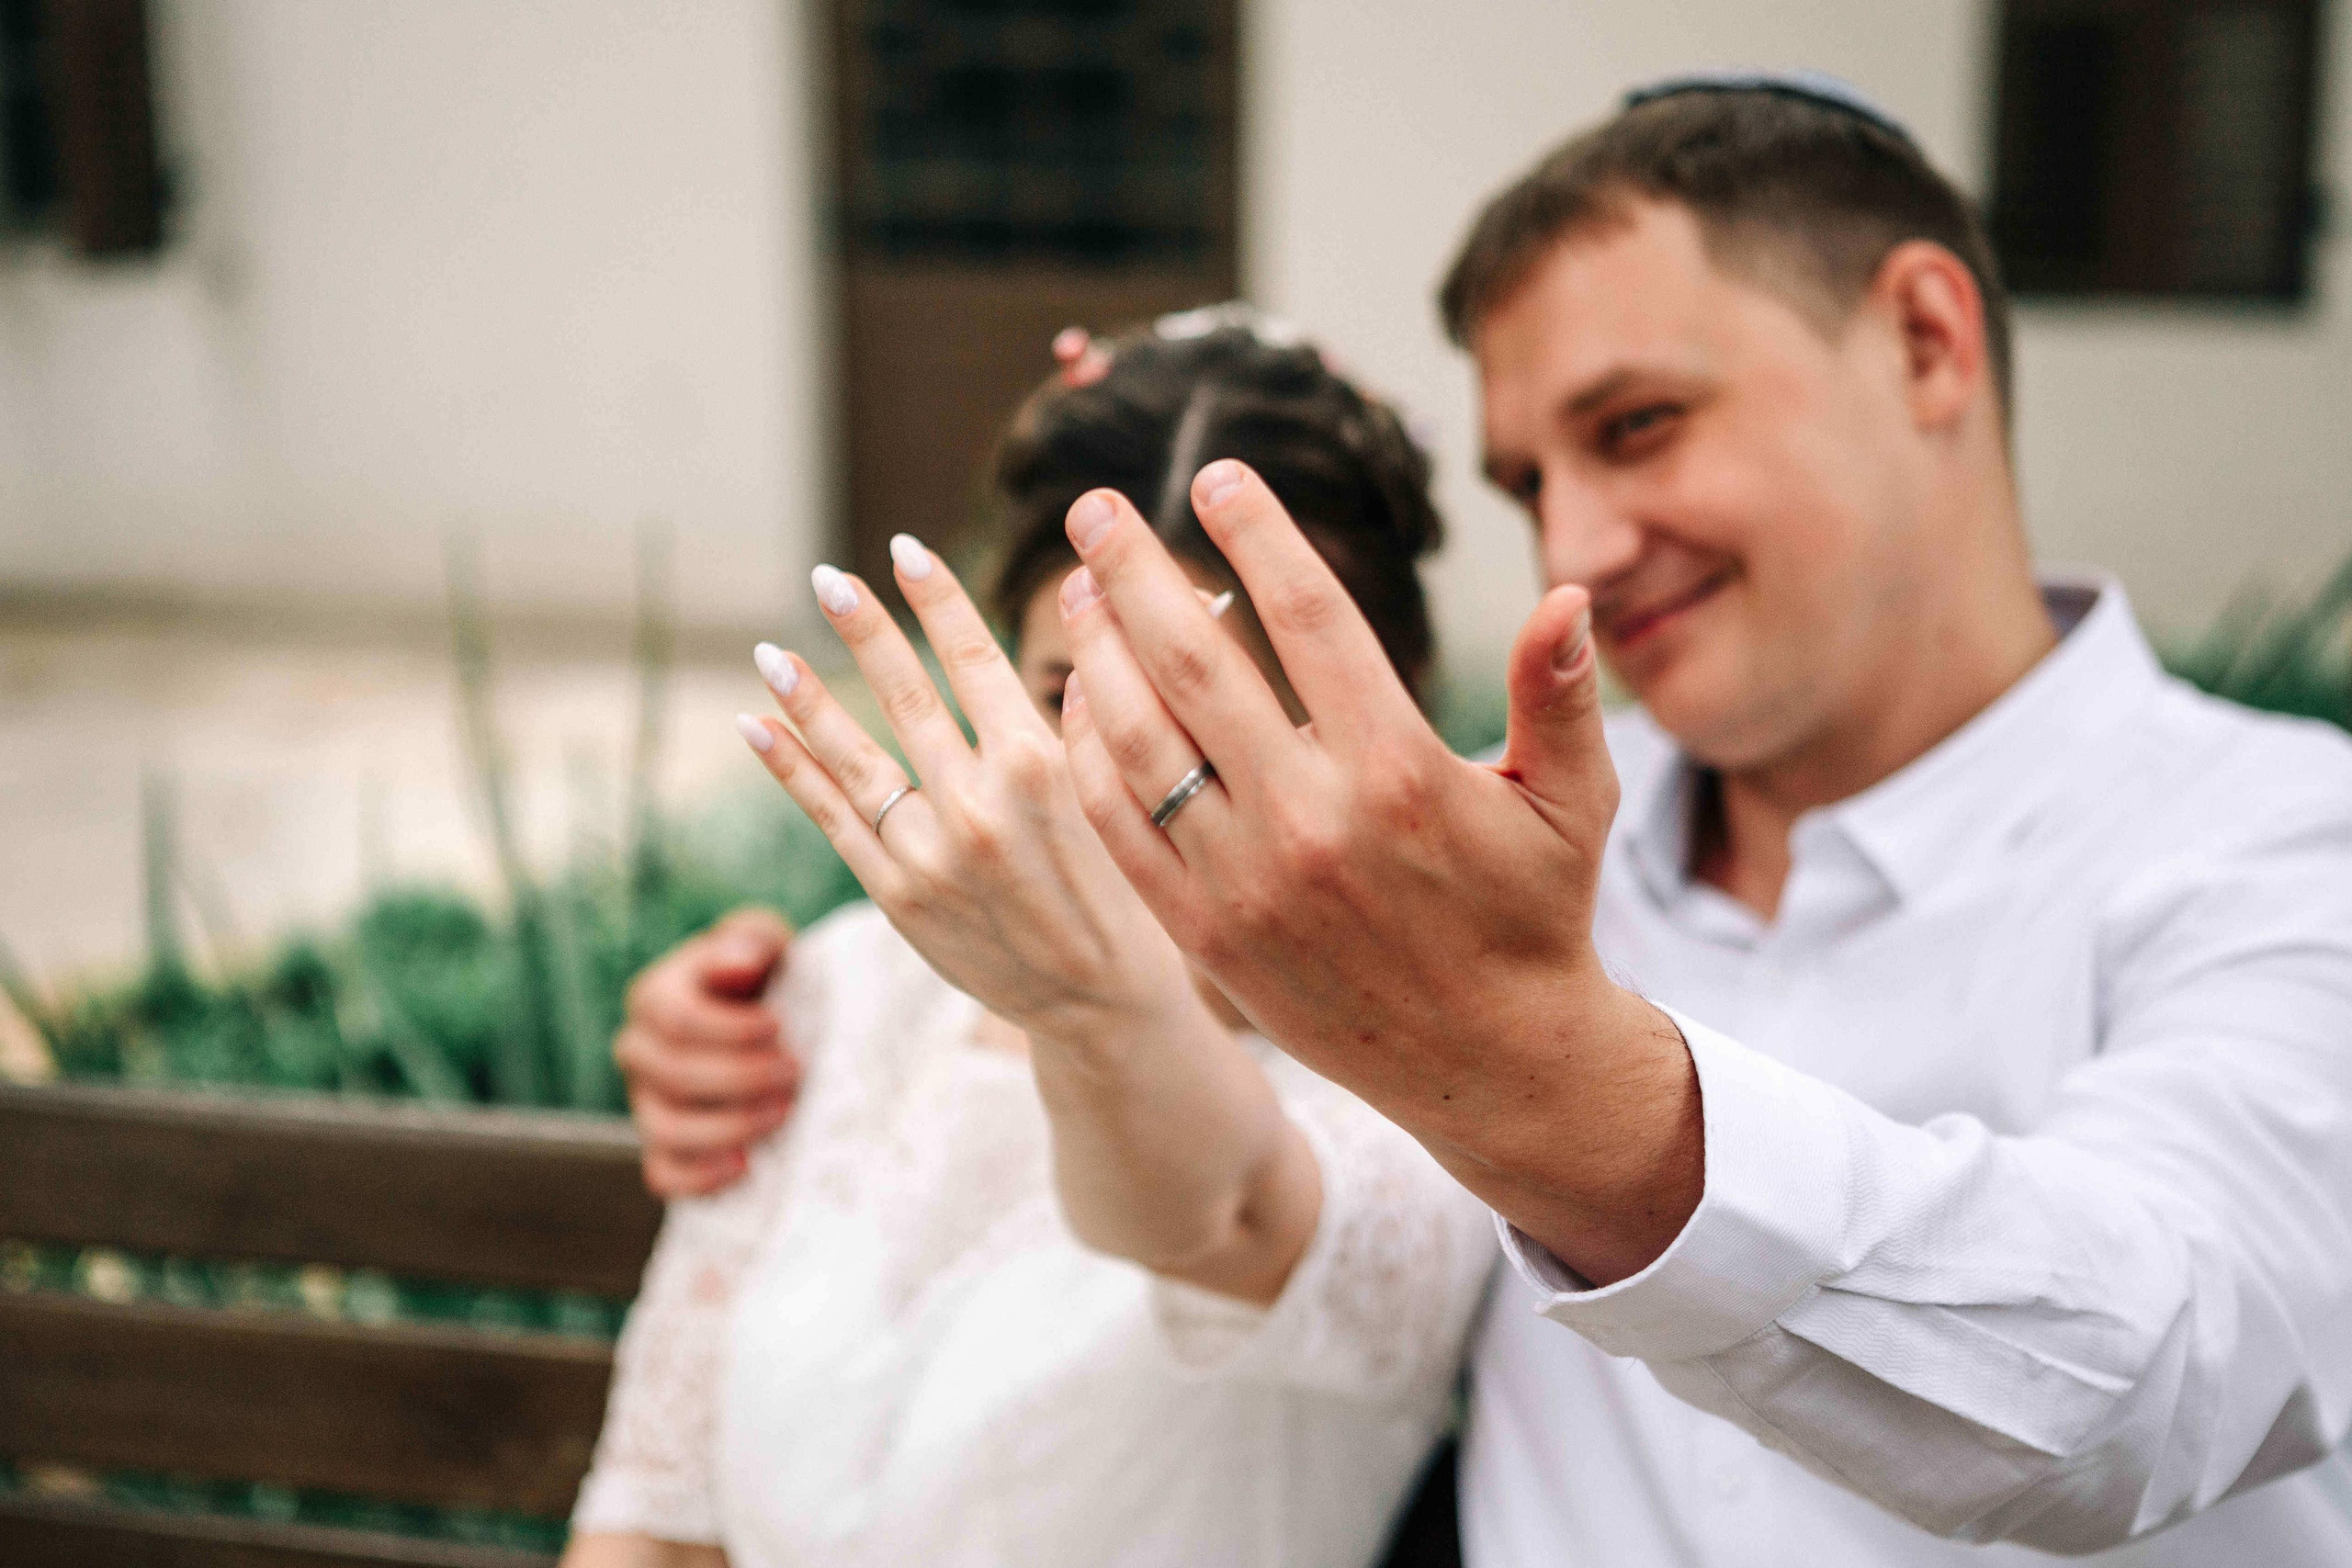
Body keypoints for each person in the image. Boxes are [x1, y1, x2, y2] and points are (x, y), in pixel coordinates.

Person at [624, 77, 2352, 1563]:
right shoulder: (1489, 848)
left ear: (1925, 338)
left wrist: (1528, 1066)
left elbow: (2153, 1375)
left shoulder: (2285, 845)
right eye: (1532, 483)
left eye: (1639, 426)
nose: (1578, 545)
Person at [563, 318, 1496, 1568]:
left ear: (1385, 701)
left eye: (1217, 703)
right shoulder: (845, 990)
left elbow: (1221, 1214)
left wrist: (1091, 999)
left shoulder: (1427, 1090)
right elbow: (654, 1520)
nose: (1133, 769)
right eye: (1070, 689)